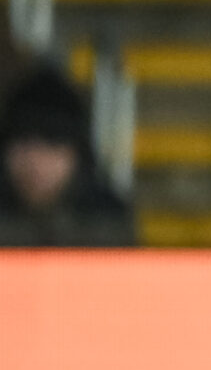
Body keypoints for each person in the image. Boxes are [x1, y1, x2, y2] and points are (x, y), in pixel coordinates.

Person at [0, 67, 136, 246]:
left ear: (77, 154)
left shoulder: (105, 219)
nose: (35, 160)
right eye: (24, 142)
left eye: (52, 143)